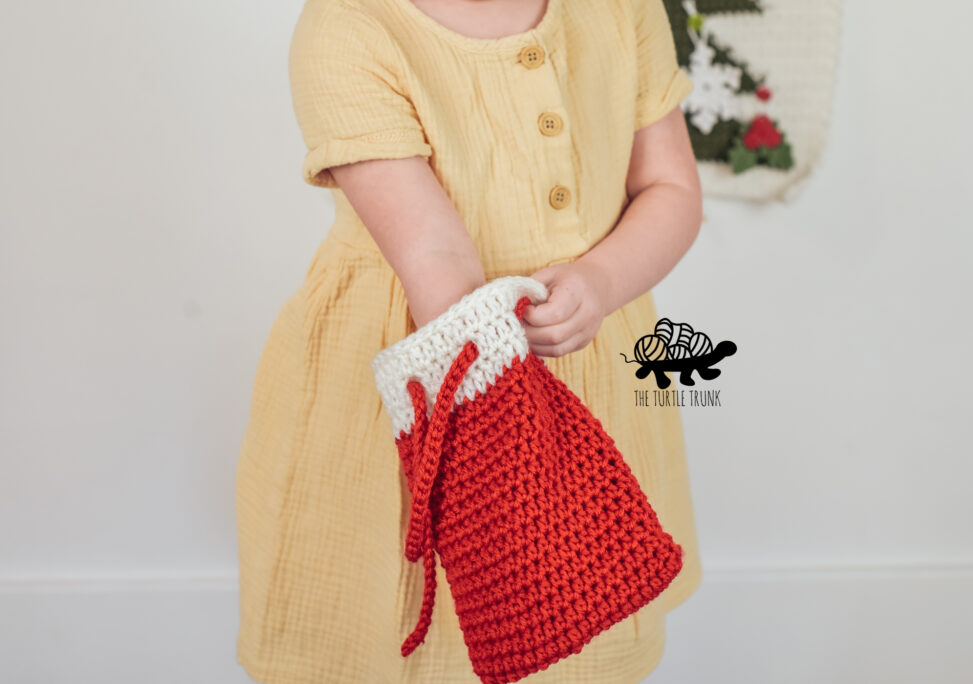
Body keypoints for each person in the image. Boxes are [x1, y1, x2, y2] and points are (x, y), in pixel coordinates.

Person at [235, 0, 705, 681]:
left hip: (590, 364)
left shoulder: (619, 7)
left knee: (583, 631)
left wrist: (601, 281)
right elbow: (436, 260)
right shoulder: (346, 28)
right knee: (408, 644)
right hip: (438, 376)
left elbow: (670, 186)